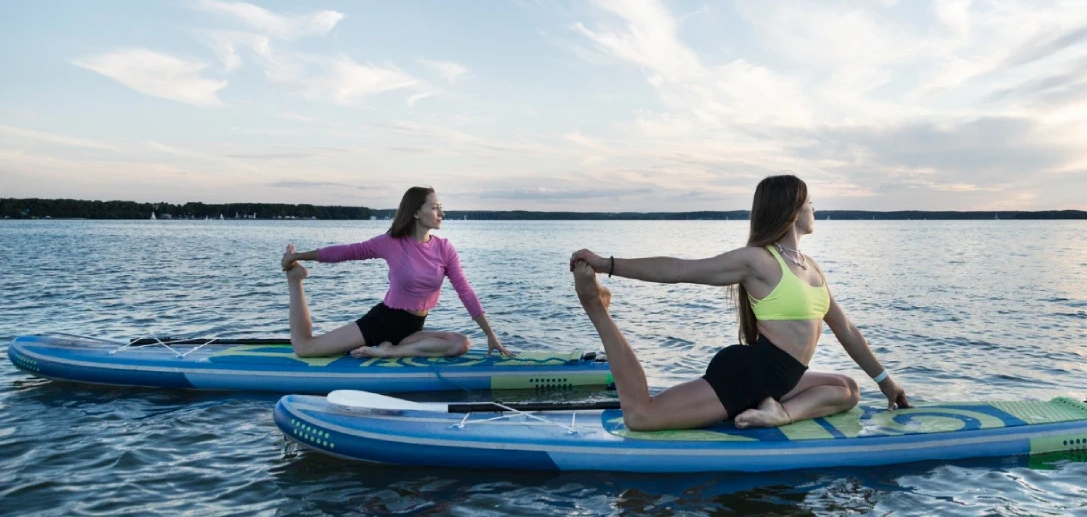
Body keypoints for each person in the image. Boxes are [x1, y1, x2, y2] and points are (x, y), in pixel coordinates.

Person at [569, 174, 909, 431]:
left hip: (783, 380)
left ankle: (780, 413)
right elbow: (679, 270)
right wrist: (609, 264)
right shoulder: (759, 261)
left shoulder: (811, 268)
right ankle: (596, 307)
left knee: (848, 390)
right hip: (748, 375)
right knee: (641, 415)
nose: (814, 209)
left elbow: (846, 329)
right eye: (810, 203)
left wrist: (885, 382)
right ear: (793, 211)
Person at [279, 186, 512, 359]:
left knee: (461, 344)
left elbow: (465, 292)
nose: (441, 212)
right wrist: (298, 256)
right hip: (382, 322)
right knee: (304, 348)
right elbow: (347, 252)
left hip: (412, 329)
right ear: (416, 212)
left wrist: (490, 334)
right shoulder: (391, 242)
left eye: (441, 207)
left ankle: (389, 351)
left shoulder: (444, 248)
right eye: (434, 207)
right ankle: (295, 280)